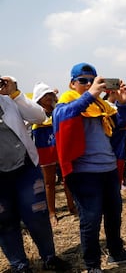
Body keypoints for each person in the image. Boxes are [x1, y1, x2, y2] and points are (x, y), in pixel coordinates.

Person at [53, 63, 126, 272]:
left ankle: (116, 252)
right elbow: (62, 116)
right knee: (91, 220)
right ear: (72, 84)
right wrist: (91, 94)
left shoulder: (100, 106)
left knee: (114, 214)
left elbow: (119, 124)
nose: (88, 84)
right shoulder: (67, 101)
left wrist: (123, 103)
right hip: (84, 173)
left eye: (92, 81)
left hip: (109, 169)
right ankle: (93, 265)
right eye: (82, 80)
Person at [0, 76, 70, 272]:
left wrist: (15, 93)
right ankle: (20, 266)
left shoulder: (8, 100)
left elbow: (39, 116)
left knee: (37, 214)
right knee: (5, 221)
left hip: (25, 169)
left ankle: (49, 257)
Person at [31, 82, 76, 227]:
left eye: (50, 94)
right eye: (45, 95)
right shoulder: (35, 114)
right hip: (44, 147)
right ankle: (52, 213)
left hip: (59, 145)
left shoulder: (58, 110)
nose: (49, 97)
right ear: (38, 98)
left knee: (67, 177)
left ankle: (72, 207)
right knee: (49, 183)